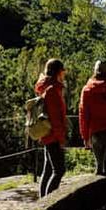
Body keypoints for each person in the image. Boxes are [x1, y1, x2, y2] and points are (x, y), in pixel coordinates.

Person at [35, 58, 67, 196]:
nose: (64, 74)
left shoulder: (46, 87)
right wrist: (61, 139)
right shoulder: (53, 90)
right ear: (58, 72)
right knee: (59, 170)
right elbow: (55, 119)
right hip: (53, 135)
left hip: (47, 133)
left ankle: (43, 200)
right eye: (63, 72)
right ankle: (49, 202)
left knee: (48, 170)